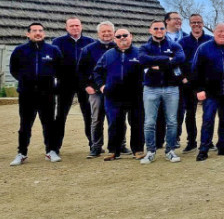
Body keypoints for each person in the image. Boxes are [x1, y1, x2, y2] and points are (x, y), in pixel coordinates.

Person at [9, 23, 63, 166]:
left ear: (44, 33)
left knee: (49, 124)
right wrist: (26, 82)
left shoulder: (53, 50)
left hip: (47, 95)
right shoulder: (19, 51)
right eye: (34, 31)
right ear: (28, 34)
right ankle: (22, 153)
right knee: (25, 125)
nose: (38, 33)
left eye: (40, 31)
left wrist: (52, 86)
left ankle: (51, 151)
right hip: (27, 94)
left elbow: (60, 70)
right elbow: (14, 70)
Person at [92, 28, 145, 161]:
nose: (122, 38)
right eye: (119, 36)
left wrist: (144, 85)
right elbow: (97, 71)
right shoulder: (108, 55)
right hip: (113, 96)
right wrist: (102, 86)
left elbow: (149, 72)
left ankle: (138, 150)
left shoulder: (140, 53)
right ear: (115, 39)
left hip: (135, 95)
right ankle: (113, 151)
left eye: (125, 35)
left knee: (137, 122)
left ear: (131, 36)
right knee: (114, 123)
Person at [139, 20, 185, 164]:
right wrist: (167, 60)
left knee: (172, 121)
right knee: (149, 122)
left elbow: (180, 58)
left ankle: (170, 151)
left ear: (165, 30)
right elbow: (142, 59)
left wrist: (157, 64)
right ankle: (151, 151)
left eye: (161, 28)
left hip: (171, 88)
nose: (159, 30)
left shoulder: (174, 45)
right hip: (150, 89)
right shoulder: (144, 47)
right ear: (150, 30)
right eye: (156, 28)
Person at [191, 23, 224, 161]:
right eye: (220, 31)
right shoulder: (204, 48)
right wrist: (199, 89)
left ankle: (222, 146)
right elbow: (195, 70)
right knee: (208, 120)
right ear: (214, 32)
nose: (223, 34)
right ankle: (203, 149)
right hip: (210, 93)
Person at [77, 21, 118, 158]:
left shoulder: (119, 47)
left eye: (109, 32)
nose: (106, 34)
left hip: (115, 90)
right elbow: (80, 71)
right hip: (95, 90)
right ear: (98, 33)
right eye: (103, 32)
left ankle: (120, 145)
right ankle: (96, 147)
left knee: (117, 119)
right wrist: (86, 86)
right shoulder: (88, 49)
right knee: (96, 119)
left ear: (113, 33)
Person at [53, 16, 94, 152]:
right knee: (60, 115)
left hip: (85, 83)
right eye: (72, 26)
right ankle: (55, 146)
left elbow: (94, 63)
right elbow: (54, 63)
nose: (75, 28)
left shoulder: (90, 42)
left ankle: (93, 144)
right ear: (66, 28)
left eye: (77, 25)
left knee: (89, 114)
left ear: (81, 26)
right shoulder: (57, 42)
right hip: (65, 83)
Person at [178, 14, 212, 153]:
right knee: (190, 113)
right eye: (193, 22)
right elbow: (177, 62)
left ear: (203, 23)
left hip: (207, 83)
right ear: (190, 24)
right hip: (188, 83)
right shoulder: (183, 42)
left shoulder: (210, 40)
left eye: (199, 22)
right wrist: (183, 78)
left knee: (208, 113)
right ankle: (191, 141)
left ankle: (208, 141)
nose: (196, 24)